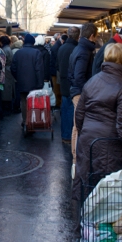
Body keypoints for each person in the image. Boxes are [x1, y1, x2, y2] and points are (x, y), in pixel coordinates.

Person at [72, 43, 122, 226]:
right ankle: (102, 234)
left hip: (89, 141)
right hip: (109, 145)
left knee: (90, 186)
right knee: (108, 193)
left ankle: (89, 232)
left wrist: (85, 135)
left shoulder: (93, 80)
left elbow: (79, 115)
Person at [68, 23, 98, 163]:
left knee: (77, 124)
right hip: (81, 93)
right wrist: (88, 92)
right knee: (78, 125)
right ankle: (76, 158)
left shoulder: (78, 48)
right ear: (92, 36)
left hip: (77, 91)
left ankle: (76, 156)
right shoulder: (84, 51)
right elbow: (79, 76)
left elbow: (72, 74)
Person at [11, 33, 44, 134]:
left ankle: (25, 121)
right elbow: (39, 69)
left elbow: (13, 68)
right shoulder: (37, 53)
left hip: (21, 82)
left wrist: (18, 77)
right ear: (33, 43)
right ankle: (32, 122)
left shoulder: (18, 53)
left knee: (24, 102)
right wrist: (40, 83)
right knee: (33, 103)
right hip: (34, 83)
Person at [57, 27, 79, 144]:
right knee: (70, 109)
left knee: (65, 108)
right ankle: (69, 135)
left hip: (63, 82)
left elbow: (57, 65)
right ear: (78, 36)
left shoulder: (62, 48)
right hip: (72, 83)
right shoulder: (76, 49)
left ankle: (64, 135)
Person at [0, 35, 15, 114]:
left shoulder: (4, 50)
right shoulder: (8, 48)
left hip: (6, 71)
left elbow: (3, 61)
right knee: (9, 89)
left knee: (6, 90)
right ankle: (9, 106)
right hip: (9, 71)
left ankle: (7, 107)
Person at [49, 33, 64, 110]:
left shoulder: (56, 47)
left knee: (56, 88)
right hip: (55, 71)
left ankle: (58, 103)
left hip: (54, 70)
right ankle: (58, 103)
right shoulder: (57, 47)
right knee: (57, 88)